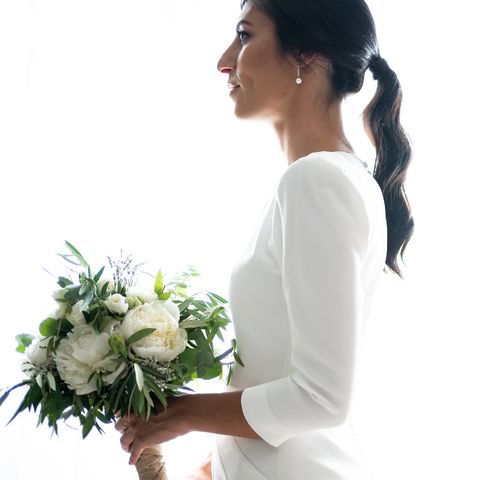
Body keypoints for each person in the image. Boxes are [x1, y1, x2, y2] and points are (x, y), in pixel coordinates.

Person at [116, 0, 413, 478]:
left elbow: (321, 397)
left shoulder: (318, 181)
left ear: (305, 53)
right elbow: (279, 377)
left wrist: (181, 414)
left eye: (245, 35)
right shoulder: (327, 179)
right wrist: (212, 467)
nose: (224, 59)